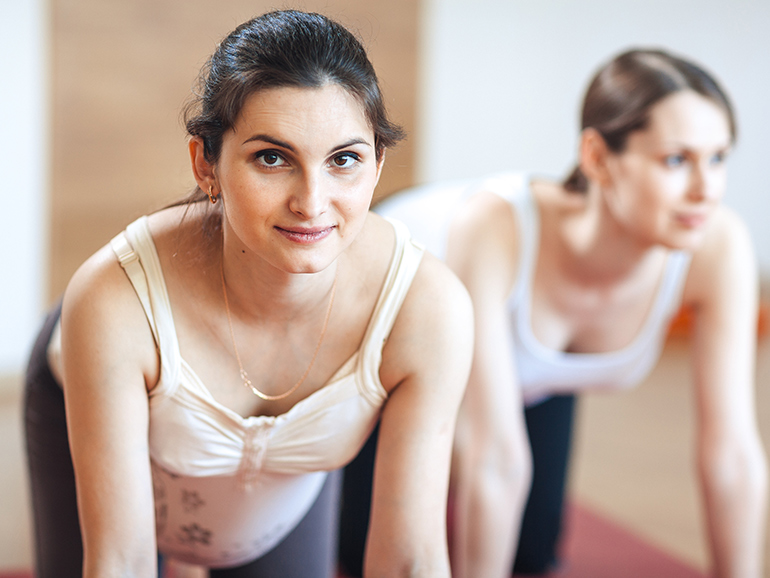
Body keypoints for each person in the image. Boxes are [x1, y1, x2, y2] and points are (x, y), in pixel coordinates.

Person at [23, 10, 473, 578]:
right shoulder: (113, 299)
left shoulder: (426, 308)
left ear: (378, 165)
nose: (312, 202)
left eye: (344, 160)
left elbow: (410, 561)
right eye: (272, 157)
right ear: (206, 163)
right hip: (93, 380)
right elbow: (120, 563)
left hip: (282, 476)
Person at [340, 48, 768, 577]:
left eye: (719, 158)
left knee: (532, 550)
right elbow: (493, 452)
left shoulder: (718, 243)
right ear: (596, 156)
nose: (707, 189)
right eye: (676, 160)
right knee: (359, 547)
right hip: (378, 349)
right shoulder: (494, 225)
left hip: (525, 377)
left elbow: (732, 455)